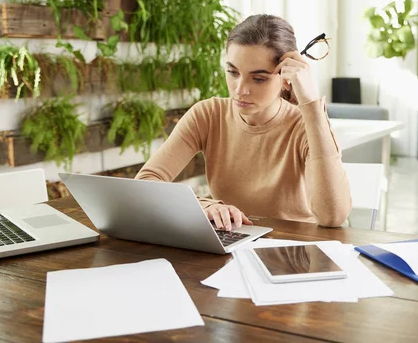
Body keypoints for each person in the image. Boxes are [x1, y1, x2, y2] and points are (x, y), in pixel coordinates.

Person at [135, 14, 352, 230]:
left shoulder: (305, 125)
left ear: (286, 78)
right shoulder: (208, 114)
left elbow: (332, 217)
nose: (240, 89)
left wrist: (312, 106)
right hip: (229, 247)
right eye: (232, 72)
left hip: (294, 251)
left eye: (258, 78)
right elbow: (146, 181)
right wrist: (201, 205)